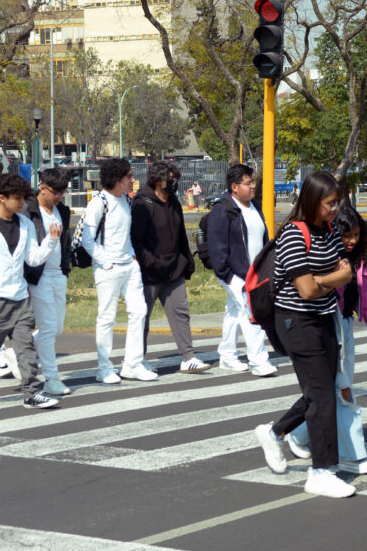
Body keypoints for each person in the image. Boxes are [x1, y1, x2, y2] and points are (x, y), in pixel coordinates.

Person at [253, 171, 356, 498]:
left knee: (321, 390)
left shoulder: (328, 230)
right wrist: (334, 278)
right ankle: (322, 472)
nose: (335, 209)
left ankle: (275, 432)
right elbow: (308, 289)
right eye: (329, 203)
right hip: (296, 321)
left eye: (337, 203)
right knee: (322, 395)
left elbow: (346, 272)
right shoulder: (293, 235)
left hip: (325, 318)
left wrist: (331, 277)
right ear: (312, 200)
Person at [287, 204, 367, 474]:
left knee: (335, 389)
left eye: (356, 235)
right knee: (342, 391)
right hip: (323, 324)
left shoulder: (358, 262)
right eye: (346, 235)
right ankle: (351, 454)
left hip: (344, 326)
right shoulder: (325, 253)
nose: (351, 241)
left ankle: (298, 435)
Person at [0, 173, 60, 409]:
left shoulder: (25, 224)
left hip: (20, 298)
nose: (21, 203)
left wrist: (50, 241)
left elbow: (33, 258)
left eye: (23, 198)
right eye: (17, 198)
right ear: (1, 198)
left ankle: (31, 392)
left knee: (25, 347)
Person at [131, 161, 210, 374]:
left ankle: (188, 357)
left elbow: (180, 233)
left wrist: (187, 261)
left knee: (181, 313)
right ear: (158, 180)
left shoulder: (173, 201)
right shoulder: (142, 203)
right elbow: (136, 242)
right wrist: (151, 262)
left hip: (174, 270)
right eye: (171, 179)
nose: (174, 183)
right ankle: (137, 360)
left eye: (176, 178)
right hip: (149, 273)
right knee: (142, 318)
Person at [82, 158, 155, 384]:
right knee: (107, 318)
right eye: (129, 177)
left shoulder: (125, 199)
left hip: (129, 265)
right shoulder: (99, 202)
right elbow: (87, 239)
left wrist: (132, 257)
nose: (133, 180)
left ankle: (133, 363)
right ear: (116, 179)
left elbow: (125, 234)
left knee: (140, 311)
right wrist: (107, 262)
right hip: (108, 268)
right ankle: (104, 368)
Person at [205, 164, 277, 376]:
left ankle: (227, 356)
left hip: (254, 273)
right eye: (248, 183)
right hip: (234, 275)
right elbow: (216, 245)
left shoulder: (254, 205)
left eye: (253, 182)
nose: (253, 186)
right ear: (235, 187)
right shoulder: (223, 209)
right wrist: (226, 275)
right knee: (251, 313)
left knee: (234, 313)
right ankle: (258, 361)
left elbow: (262, 238)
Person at [23, 168, 73, 396]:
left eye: (63, 191)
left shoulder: (62, 210)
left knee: (57, 329)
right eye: (55, 192)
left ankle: (18, 350)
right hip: (37, 275)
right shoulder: (28, 210)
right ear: (41, 186)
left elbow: (65, 240)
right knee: (48, 328)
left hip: (58, 273)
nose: (59, 196)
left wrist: (65, 268)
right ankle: (51, 379)